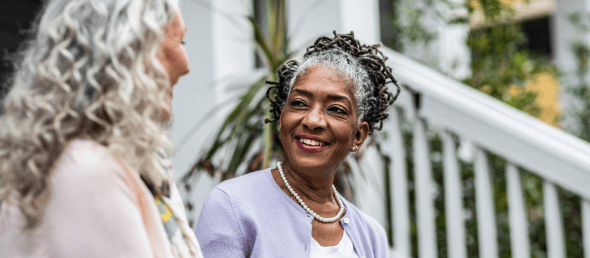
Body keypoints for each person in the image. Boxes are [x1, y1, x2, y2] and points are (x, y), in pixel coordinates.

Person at [0, 0, 202, 257]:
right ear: (125, 50)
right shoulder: (86, 171)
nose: (186, 65)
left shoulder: (137, 167)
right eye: (179, 42)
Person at [195, 31, 401, 258]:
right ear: (282, 119)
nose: (312, 121)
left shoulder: (371, 236)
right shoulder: (231, 206)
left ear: (358, 136)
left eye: (335, 109)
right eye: (300, 103)